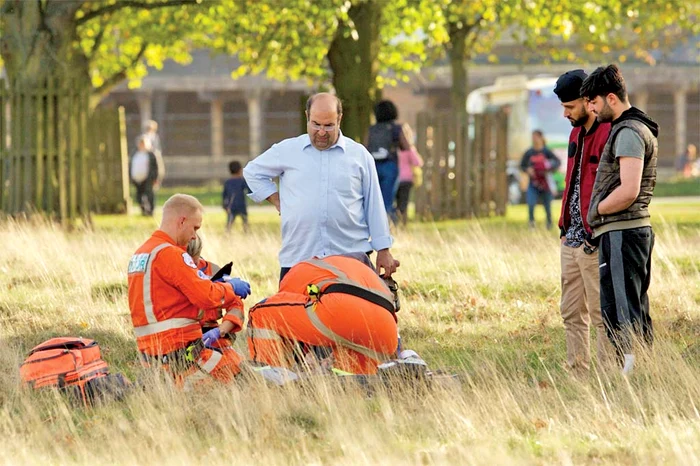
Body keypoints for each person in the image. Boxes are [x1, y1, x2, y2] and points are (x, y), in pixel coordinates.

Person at [243, 92, 400, 282]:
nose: (322, 132)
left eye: (328, 125)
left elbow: (374, 206)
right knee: (295, 312)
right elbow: (252, 172)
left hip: (351, 259)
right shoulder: (287, 150)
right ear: (307, 116)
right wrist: (276, 199)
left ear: (339, 119)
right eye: (316, 124)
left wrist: (383, 250)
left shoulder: (359, 156)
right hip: (298, 259)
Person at [581, 64, 659, 375]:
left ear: (611, 98)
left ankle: (631, 373)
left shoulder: (628, 132)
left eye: (594, 102)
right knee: (627, 305)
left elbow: (628, 190)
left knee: (623, 309)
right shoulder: (630, 128)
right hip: (623, 231)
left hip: (622, 231)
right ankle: (642, 369)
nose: (591, 109)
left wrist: (596, 210)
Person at [127, 194, 251, 389]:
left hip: (152, 357)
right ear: (182, 221)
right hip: (181, 355)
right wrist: (231, 287)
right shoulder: (171, 254)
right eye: (195, 228)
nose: (194, 236)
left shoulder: (142, 253)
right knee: (244, 379)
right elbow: (206, 296)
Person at [246, 255, 398, 375]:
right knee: (349, 381)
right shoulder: (349, 268)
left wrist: (301, 358)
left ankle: (270, 378)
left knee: (260, 313)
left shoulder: (301, 269)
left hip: (341, 311)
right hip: (387, 335)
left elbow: (291, 319)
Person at [554, 69, 612, 373]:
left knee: (600, 311)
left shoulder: (607, 132)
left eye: (569, 107)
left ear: (588, 101)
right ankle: (577, 370)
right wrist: (564, 229)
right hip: (571, 238)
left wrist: (594, 233)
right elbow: (571, 182)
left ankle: (607, 373)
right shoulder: (575, 132)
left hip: (594, 238)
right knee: (570, 311)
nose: (565, 114)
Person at [366, 100, 411, 224]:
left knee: (374, 198)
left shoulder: (372, 129)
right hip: (390, 166)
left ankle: (374, 224)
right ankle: (389, 225)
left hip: (373, 166)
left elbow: (365, 147)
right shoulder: (396, 128)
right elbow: (406, 147)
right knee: (387, 199)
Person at [520, 130, 561, 229]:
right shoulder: (529, 152)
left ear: (541, 138)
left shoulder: (547, 151)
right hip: (533, 183)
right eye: (533, 137)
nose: (534, 139)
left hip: (545, 183)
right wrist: (528, 170)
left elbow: (557, 162)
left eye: (536, 137)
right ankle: (531, 224)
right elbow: (522, 165)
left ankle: (549, 224)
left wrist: (548, 167)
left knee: (547, 205)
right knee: (531, 203)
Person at [395, 123, 424, 227]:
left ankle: (394, 223)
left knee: (393, 203)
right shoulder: (408, 149)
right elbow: (418, 162)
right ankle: (403, 224)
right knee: (403, 203)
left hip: (394, 179)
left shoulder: (393, 149)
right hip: (406, 179)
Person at [129, 136, 159, 216]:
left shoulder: (152, 154)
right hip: (137, 179)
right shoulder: (134, 154)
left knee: (149, 195)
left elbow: (157, 167)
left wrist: (155, 178)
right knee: (139, 196)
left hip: (148, 179)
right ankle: (143, 211)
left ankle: (151, 211)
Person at [222, 160, 250, 233]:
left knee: (229, 223)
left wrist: (225, 206)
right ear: (240, 170)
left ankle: (227, 234)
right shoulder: (242, 181)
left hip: (231, 206)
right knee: (245, 221)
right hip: (241, 205)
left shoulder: (228, 182)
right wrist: (257, 199)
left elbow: (224, 195)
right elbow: (249, 190)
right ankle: (246, 233)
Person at [139, 120, 165, 188]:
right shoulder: (144, 136)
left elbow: (157, 148)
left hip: (154, 155)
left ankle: (156, 182)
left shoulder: (155, 137)